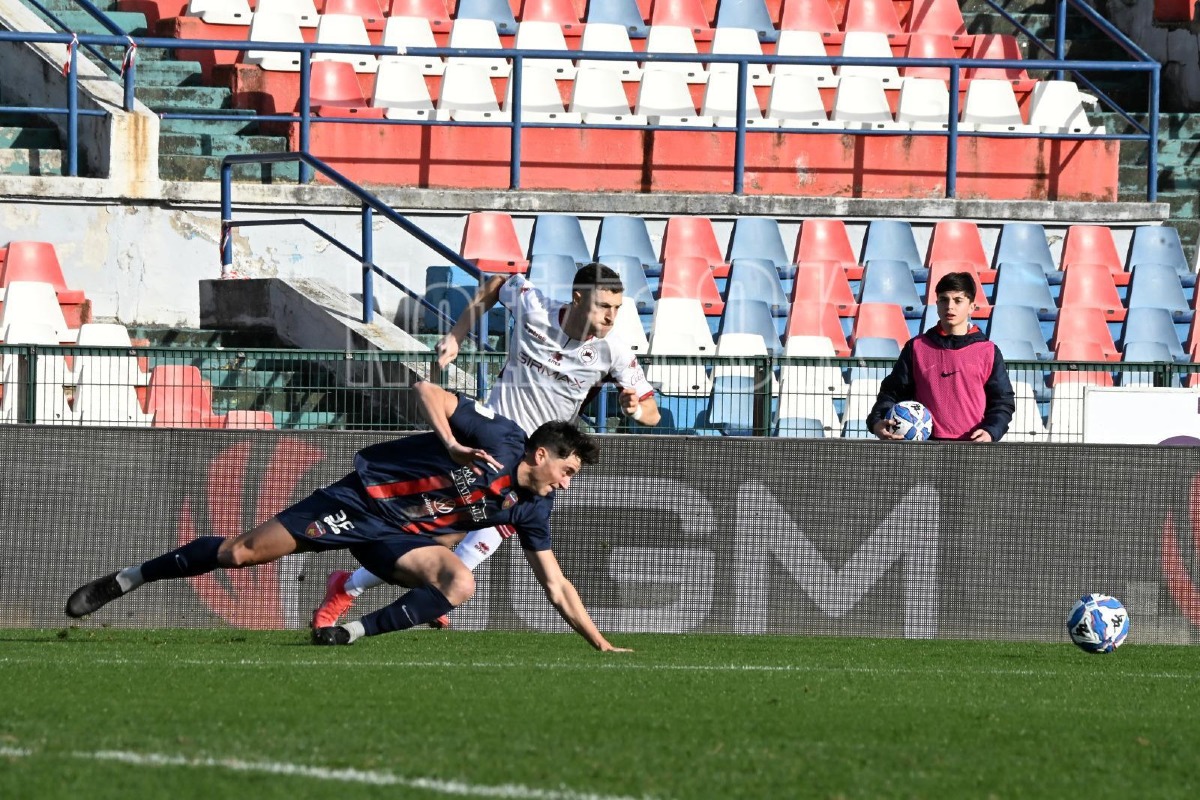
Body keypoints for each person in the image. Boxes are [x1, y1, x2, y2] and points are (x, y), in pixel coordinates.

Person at [66, 381, 631, 652]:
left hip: (400, 538)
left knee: (460, 581)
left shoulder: (533, 505)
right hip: (358, 500)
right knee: (238, 553)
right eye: (569, 469)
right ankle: (127, 579)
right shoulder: (499, 437)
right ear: (540, 453)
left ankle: (347, 634)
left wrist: (599, 643)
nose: (567, 480)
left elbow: (555, 583)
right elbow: (427, 389)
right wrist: (452, 446)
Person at [311, 262, 660, 629]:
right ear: (577, 298)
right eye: (604, 305)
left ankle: (367, 588)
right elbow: (496, 283)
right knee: (433, 529)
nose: (611, 316)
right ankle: (368, 587)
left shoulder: (614, 352)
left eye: (617, 308)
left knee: (462, 534)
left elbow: (652, 412)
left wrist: (635, 407)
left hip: (536, 464)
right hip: (489, 443)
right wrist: (457, 335)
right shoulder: (535, 306)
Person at [866, 271, 1015, 442]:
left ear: (972, 306)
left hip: (974, 448)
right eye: (944, 300)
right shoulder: (917, 347)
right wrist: (877, 421)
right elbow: (892, 393)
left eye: (958, 300)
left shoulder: (988, 351)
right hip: (927, 449)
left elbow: (1003, 402)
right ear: (937, 304)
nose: (949, 306)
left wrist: (991, 431)